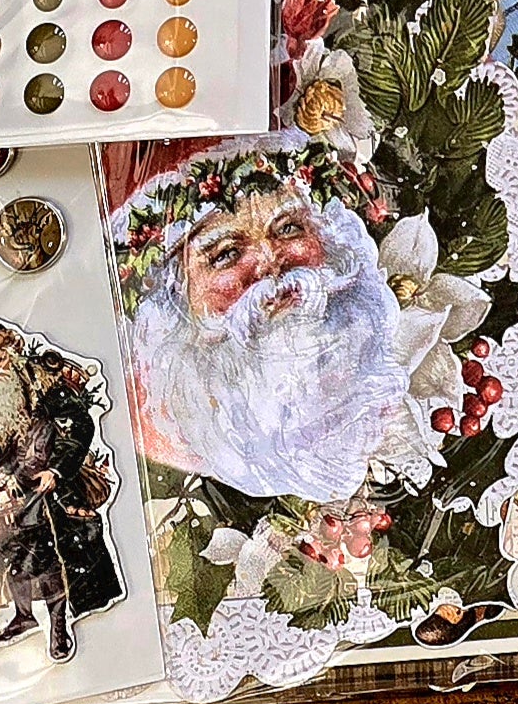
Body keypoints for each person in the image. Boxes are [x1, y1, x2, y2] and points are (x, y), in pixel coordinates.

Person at [105, 133, 424, 505]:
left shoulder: (369, 362)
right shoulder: (161, 425)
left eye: (287, 228)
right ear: (175, 302)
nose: (270, 263)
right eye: (226, 254)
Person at [0, 323, 119, 658]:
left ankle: (59, 628)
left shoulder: (44, 388)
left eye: (0, 360)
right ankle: (24, 615)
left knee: (50, 562)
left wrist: (57, 469)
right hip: (4, 499)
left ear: (13, 359)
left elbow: (80, 424)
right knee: (13, 560)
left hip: (48, 495)